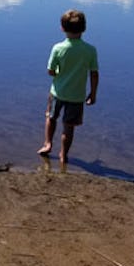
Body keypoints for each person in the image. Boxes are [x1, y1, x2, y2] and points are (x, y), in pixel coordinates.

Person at [37, 9, 99, 164]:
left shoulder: (58, 48)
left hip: (57, 92)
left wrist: (59, 71)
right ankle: (64, 154)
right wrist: (93, 94)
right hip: (77, 96)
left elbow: (51, 71)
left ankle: (48, 144)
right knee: (69, 127)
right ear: (84, 28)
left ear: (62, 28)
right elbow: (94, 74)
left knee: (51, 118)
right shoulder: (90, 50)